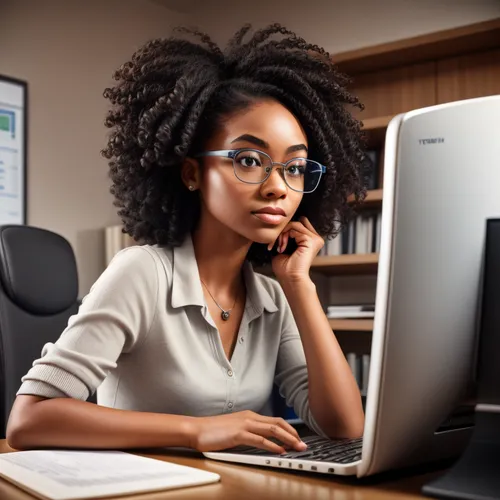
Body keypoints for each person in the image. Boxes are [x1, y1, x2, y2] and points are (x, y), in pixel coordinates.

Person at [7, 23, 367, 454]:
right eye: (250, 160)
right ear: (193, 173)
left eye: (294, 167)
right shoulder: (142, 273)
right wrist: (197, 431)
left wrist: (299, 285)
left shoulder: (273, 296)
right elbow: (29, 418)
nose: (278, 187)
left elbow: (345, 427)